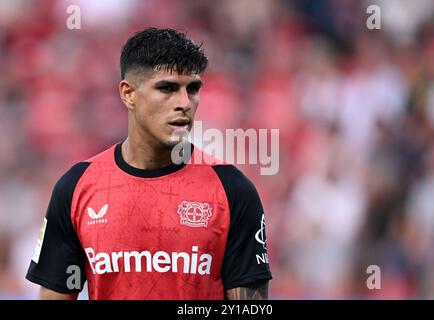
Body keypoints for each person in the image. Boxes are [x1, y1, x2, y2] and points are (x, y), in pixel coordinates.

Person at [25, 27, 272, 300]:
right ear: (128, 93)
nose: (184, 103)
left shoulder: (233, 190)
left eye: (192, 89)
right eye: (167, 88)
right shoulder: (76, 188)